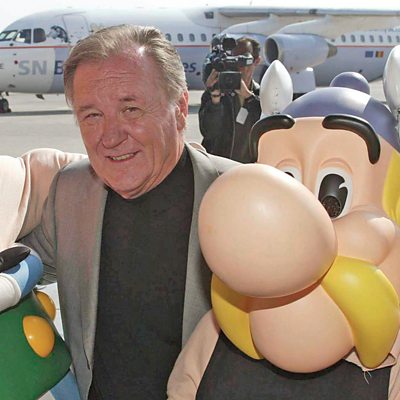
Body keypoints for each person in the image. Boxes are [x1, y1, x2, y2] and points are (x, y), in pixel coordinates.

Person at [21, 25, 237, 399]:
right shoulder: (71, 190)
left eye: (130, 109)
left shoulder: (239, 196)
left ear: (180, 109)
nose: (110, 136)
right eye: (92, 115)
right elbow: (22, 266)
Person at [199, 37, 262, 163]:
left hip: (248, 169)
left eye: (243, 59)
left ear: (256, 61)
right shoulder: (217, 91)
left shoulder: (261, 95)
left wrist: (249, 98)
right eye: (233, 59)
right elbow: (208, 132)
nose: (239, 66)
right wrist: (215, 98)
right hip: (217, 167)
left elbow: (265, 129)